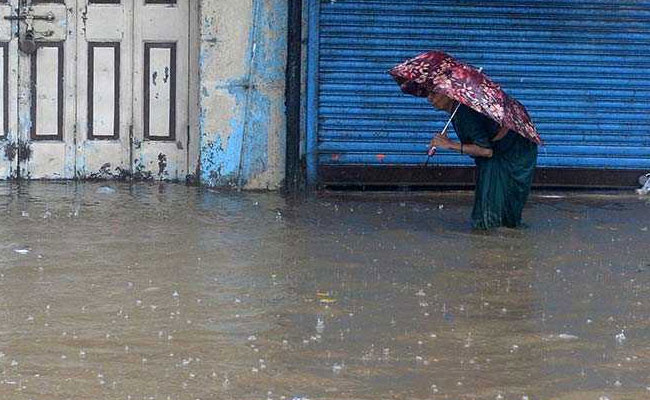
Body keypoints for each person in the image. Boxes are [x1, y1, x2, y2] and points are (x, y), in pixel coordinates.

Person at [428, 92, 538, 229]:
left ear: (449, 95)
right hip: (501, 152)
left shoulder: (464, 113)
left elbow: (486, 151)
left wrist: (450, 144)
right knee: (492, 208)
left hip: (514, 153)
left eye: (434, 94)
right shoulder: (458, 112)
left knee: (492, 212)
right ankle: (501, 242)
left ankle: (494, 244)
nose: (430, 98)